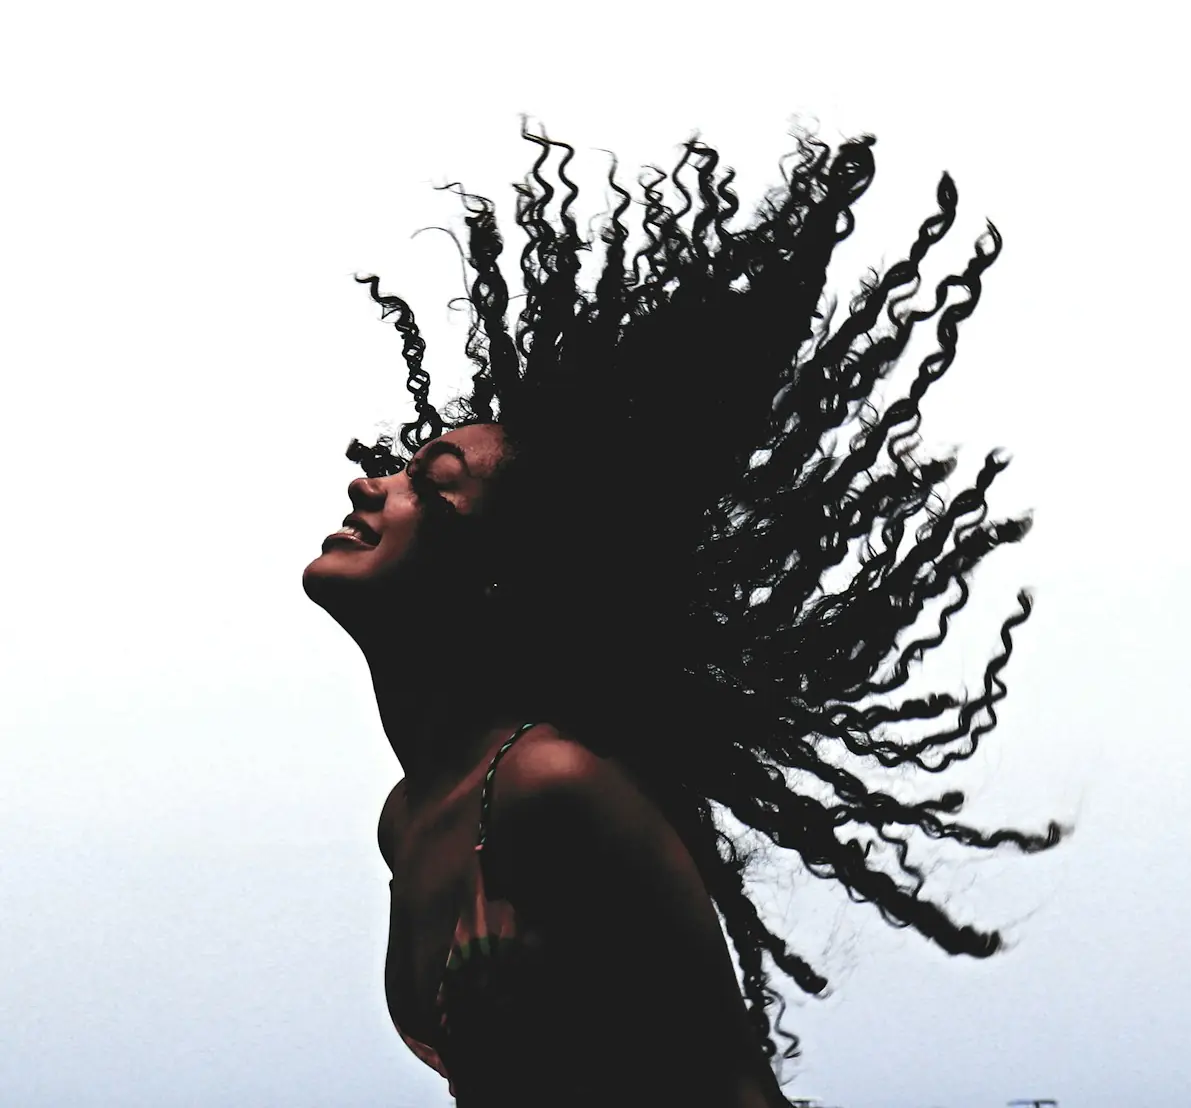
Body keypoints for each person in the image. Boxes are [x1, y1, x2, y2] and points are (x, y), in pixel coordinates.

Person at [302, 124, 1067, 1107]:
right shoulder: (408, 818)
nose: (372, 485)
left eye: (433, 483)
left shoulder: (550, 785)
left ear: (501, 576)